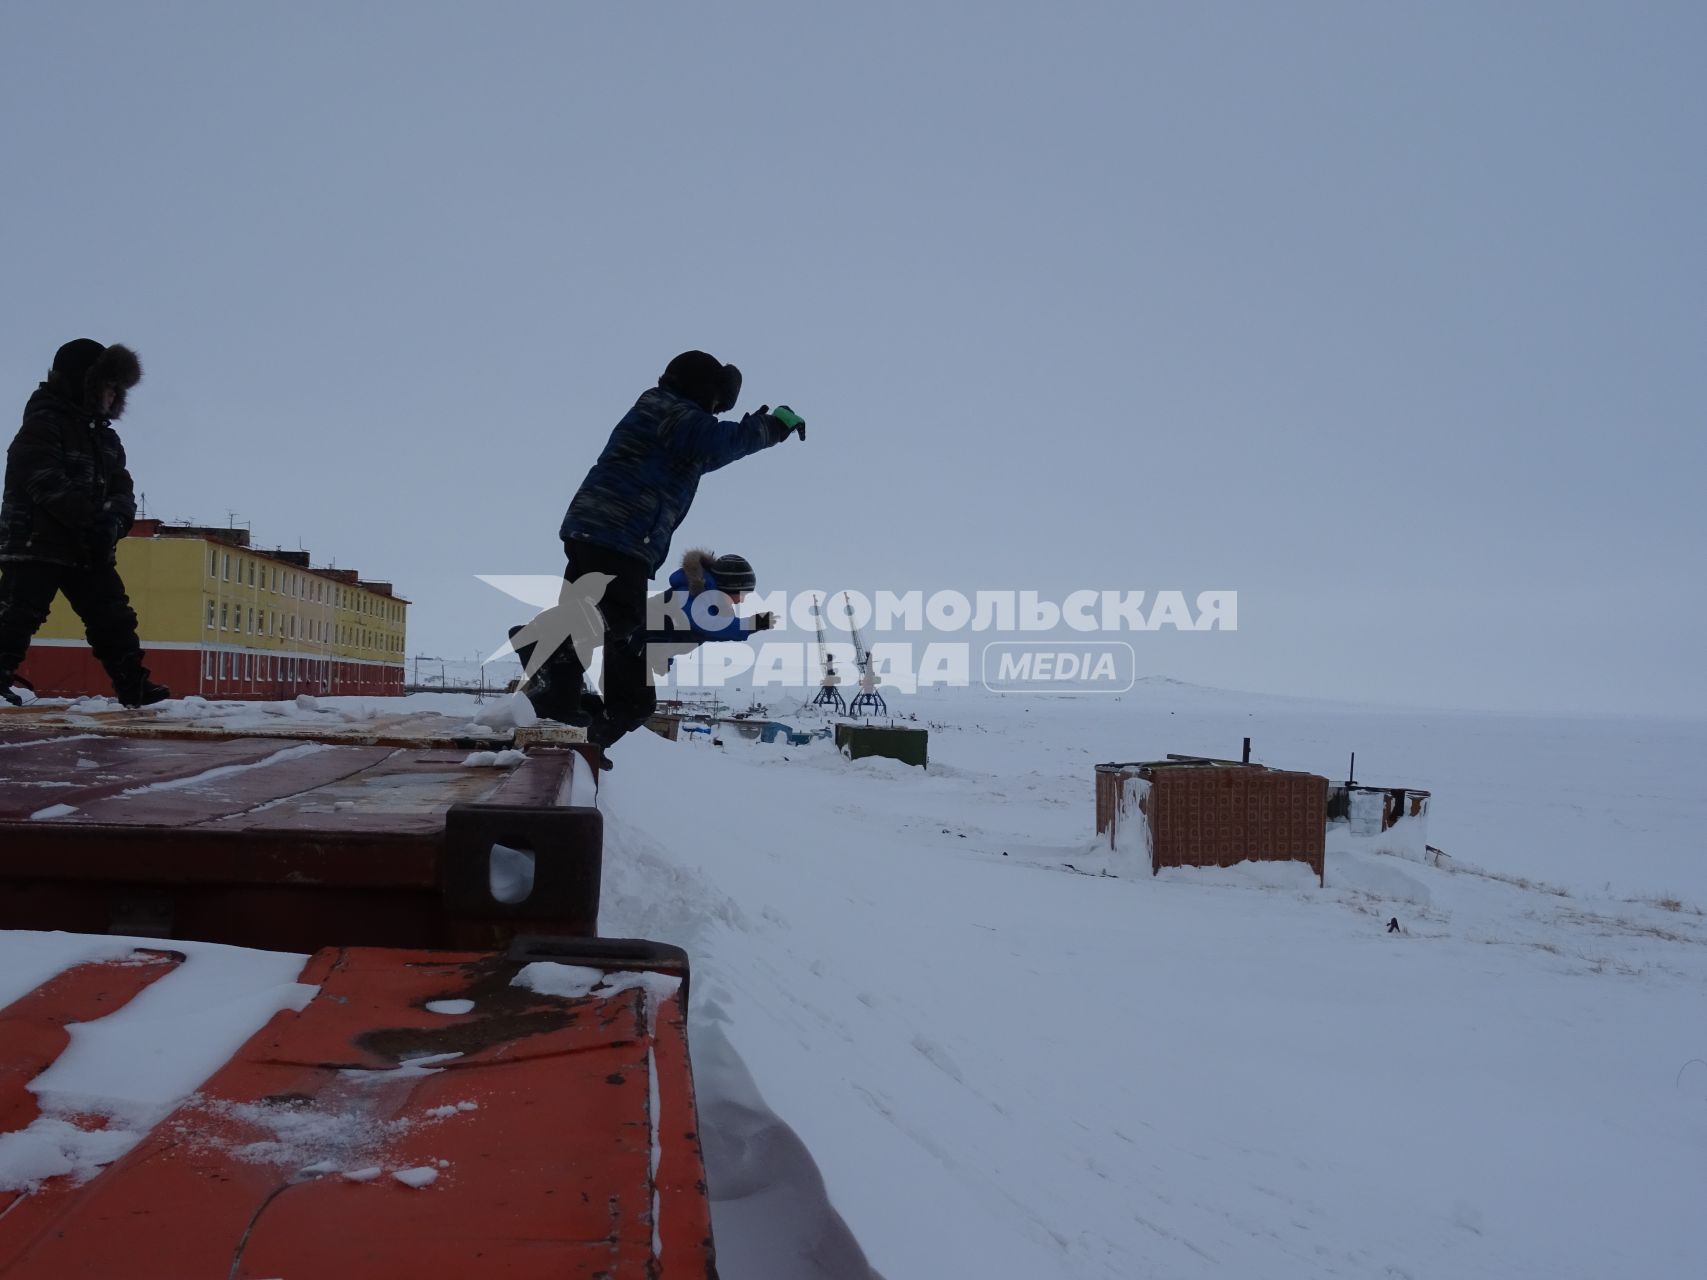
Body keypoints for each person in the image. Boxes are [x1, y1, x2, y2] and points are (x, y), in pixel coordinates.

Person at [518, 351, 804, 756]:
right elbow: (717, 444)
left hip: (597, 526)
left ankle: (563, 715)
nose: (715, 411)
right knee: (617, 615)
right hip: (621, 530)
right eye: (716, 402)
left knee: (592, 632)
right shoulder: (674, 413)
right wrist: (770, 427)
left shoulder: (664, 416)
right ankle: (540, 644)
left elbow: (705, 453)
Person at [0, 339, 168, 708]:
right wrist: (93, 521)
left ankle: (133, 685)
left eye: (116, 389)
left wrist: (114, 521)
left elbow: (123, 488)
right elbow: (42, 479)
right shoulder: (43, 425)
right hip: (36, 543)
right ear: (85, 384)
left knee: (114, 617)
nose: (113, 396)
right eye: (108, 386)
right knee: (17, 615)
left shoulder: (105, 437)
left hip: (89, 546)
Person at [642, 548, 776, 677]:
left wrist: (663, 657)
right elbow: (702, 623)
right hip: (630, 639)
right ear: (729, 587)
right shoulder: (689, 593)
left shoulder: (714, 609)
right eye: (742, 593)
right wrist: (749, 624)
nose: (742, 600)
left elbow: (702, 633)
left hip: (642, 650)